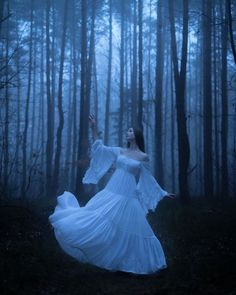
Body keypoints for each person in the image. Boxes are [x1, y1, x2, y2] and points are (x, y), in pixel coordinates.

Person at [49, 114, 175, 275]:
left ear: (136, 134)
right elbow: (100, 148)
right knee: (98, 216)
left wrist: (162, 193)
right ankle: (97, 248)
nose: (127, 133)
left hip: (128, 193)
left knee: (132, 225)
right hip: (113, 189)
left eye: (130, 130)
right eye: (128, 131)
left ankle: (131, 260)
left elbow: (147, 177)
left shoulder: (143, 157)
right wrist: (94, 127)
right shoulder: (120, 151)